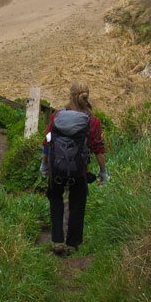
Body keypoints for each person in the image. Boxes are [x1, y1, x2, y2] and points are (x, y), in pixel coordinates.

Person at [40, 82, 108, 255]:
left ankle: (57, 241)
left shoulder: (57, 115)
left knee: (55, 199)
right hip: (79, 170)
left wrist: (44, 163)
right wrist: (103, 172)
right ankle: (72, 244)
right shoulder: (91, 121)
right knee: (77, 203)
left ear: (70, 95)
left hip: (57, 169)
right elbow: (98, 147)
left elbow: (48, 140)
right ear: (87, 95)